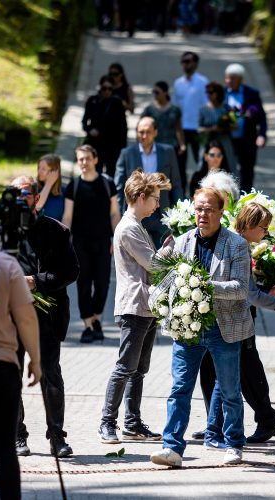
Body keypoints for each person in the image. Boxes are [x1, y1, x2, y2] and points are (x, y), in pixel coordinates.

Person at [150, 187, 253, 467]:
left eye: (208, 209)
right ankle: (172, 447)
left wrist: (205, 286)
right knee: (180, 388)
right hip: (188, 328)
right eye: (198, 208)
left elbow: (241, 288)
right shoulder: (182, 242)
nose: (202, 214)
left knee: (231, 390)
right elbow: (168, 280)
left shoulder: (237, 245)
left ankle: (234, 443)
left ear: (221, 212)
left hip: (225, 328)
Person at [202, 202, 275, 447]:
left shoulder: (234, 242)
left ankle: (224, 426)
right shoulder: (239, 245)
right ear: (249, 225)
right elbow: (250, 294)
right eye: (263, 227)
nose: (266, 233)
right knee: (239, 373)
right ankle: (245, 422)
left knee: (238, 373)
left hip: (232, 321)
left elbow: (249, 292)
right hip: (231, 321)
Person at [0, 176, 79, 459]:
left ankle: (57, 438)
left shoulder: (56, 231)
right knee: (11, 376)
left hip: (47, 314)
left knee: (50, 375)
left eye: (26, 192)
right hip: (7, 318)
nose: (20, 197)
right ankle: (17, 435)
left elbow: (70, 272)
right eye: (14, 192)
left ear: (36, 198)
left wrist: (36, 281)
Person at [99, 169, 173, 444]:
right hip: (134, 305)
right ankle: (107, 422)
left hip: (146, 305)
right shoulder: (129, 227)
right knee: (125, 366)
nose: (157, 204)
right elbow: (153, 264)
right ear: (141, 197)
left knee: (139, 369)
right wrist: (170, 249)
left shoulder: (137, 225)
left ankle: (132, 422)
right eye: (154, 199)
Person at [0, 250, 40, 500]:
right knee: (4, 449)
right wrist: (36, 359)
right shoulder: (5, 264)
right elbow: (26, 319)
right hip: (1, 365)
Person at [63, 145, 121, 343]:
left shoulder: (107, 184)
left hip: (104, 241)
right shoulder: (74, 186)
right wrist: (64, 241)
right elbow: (68, 216)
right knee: (83, 284)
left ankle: (97, 319)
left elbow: (114, 213)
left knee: (103, 284)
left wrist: (118, 238)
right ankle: (88, 325)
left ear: (95, 159)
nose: (84, 163)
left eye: (87, 158)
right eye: (80, 159)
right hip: (80, 242)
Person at [115, 116, 183, 248]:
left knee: (165, 256)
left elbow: (176, 185)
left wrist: (178, 212)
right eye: (141, 132)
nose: (144, 136)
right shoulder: (127, 154)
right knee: (140, 257)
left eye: (148, 132)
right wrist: (120, 214)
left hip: (161, 213)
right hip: (138, 213)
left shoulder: (167, 152)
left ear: (155, 132)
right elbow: (119, 187)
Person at [224, 63, 267, 193]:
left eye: (233, 78)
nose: (229, 81)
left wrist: (262, 135)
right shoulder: (222, 93)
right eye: (227, 78)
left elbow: (261, 116)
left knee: (247, 170)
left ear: (241, 79)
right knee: (226, 170)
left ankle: (245, 200)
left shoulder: (252, 94)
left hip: (247, 139)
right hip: (228, 139)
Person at [172, 51, 209, 193]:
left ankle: (201, 190)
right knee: (180, 163)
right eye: (183, 61)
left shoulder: (203, 82)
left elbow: (206, 105)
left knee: (201, 162)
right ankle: (181, 193)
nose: (186, 64)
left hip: (197, 128)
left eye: (189, 61)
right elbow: (176, 105)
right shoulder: (178, 83)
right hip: (181, 129)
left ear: (195, 63)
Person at [82, 75, 128, 179]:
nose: (107, 91)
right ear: (100, 88)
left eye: (110, 88)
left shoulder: (117, 103)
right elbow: (84, 121)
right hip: (96, 144)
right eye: (104, 88)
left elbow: (123, 126)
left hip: (112, 145)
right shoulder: (93, 101)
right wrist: (90, 130)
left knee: (111, 173)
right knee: (94, 172)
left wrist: (123, 148)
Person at [141, 81, 186, 169]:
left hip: (172, 146)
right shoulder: (149, 110)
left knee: (172, 170)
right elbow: (141, 127)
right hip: (155, 146)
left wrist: (182, 144)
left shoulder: (175, 109)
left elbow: (178, 128)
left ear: (165, 93)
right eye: (153, 92)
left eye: (157, 92)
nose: (155, 95)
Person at [198, 81, 237, 172]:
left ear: (218, 93)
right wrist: (211, 129)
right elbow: (199, 129)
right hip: (208, 140)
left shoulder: (227, 108)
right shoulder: (203, 109)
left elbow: (235, 126)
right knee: (202, 163)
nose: (208, 95)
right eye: (207, 92)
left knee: (230, 163)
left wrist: (223, 127)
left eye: (211, 92)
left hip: (224, 138)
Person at [35, 154, 65, 221]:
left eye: (43, 169)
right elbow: (37, 206)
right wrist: (48, 184)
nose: (39, 171)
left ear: (54, 172)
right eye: (39, 167)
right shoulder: (34, 188)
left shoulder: (64, 192)